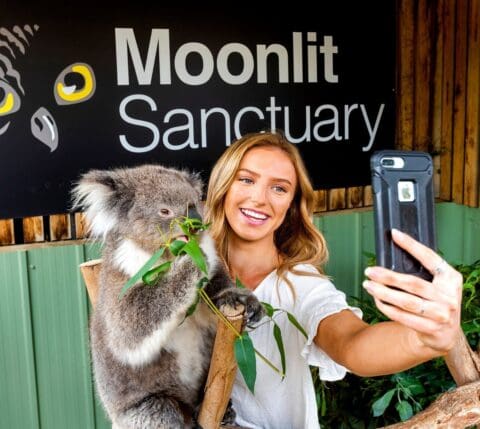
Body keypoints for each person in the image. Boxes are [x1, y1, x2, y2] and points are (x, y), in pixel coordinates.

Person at [204, 131, 463, 429]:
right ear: (223, 185)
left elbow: (352, 345)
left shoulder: (300, 285)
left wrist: (422, 338)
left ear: (292, 204)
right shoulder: (186, 273)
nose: (259, 199)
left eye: (279, 188)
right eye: (246, 180)